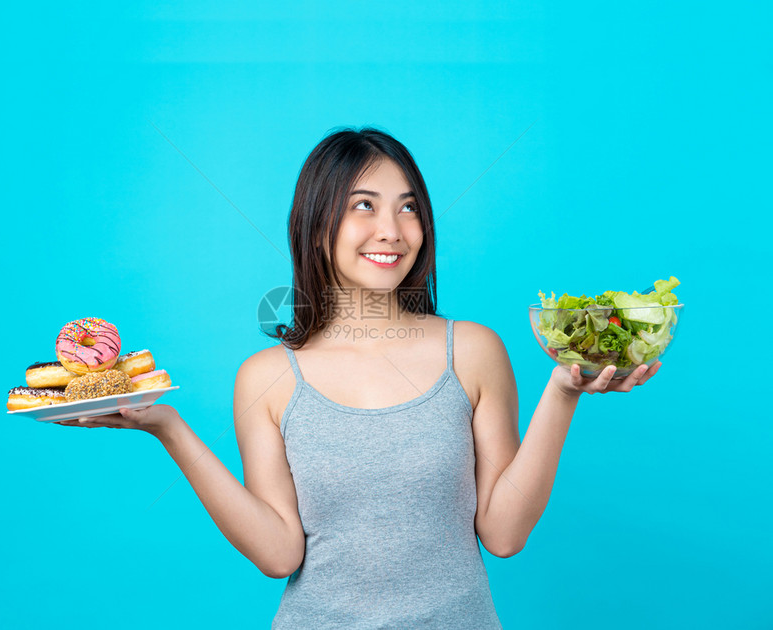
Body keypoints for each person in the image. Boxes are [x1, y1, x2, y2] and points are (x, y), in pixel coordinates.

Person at [56, 127, 660, 629]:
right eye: (363, 205)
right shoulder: (267, 378)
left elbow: (503, 535)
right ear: (316, 224)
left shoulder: (473, 351)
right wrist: (168, 429)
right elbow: (278, 553)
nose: (392, 230)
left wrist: (563, 393)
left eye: (409, 208)